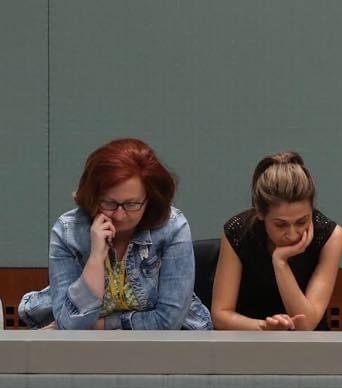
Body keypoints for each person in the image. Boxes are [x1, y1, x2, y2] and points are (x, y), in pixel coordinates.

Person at [18, 138, 211, 330]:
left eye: (132, 204)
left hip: (164, 347)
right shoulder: (68, 231)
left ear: (149, 199)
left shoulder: (173, 227)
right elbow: (70, 326)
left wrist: (103, 325)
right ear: (93, 196)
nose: (119, 215)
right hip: (86, 350)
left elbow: (168, 322)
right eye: (109, 203)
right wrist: (95, 259)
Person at [211, 152, 342, 331]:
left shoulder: (331, 236)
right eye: (280, 225)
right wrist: (265, 328)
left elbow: (306, 325)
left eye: (302, 222)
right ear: (260, 213)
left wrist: (280, 262)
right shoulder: (238, 232)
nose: (292, 234)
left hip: (310, 347)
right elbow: (221, 314)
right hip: (249, 339)